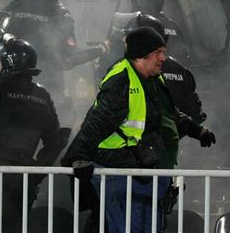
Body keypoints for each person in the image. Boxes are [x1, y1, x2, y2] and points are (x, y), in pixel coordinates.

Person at [62, 27, 216, 233]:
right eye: (158, 53)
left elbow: (168, 113)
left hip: (140, 172)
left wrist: (197, 130)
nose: (164, 57)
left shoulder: (151, 78)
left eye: (164, 52)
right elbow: (97, 120)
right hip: (119, 173)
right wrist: (78, 156)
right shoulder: (122, 80)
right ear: (141, 56)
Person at [0, 36, 69, 232]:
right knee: (12, 226)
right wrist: (37, 172)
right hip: (24, 174)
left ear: (8, 61)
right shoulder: (43, 95)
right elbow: (54, 140)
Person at [0, 0, 77, 111]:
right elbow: (69, 54)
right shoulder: (63, 15)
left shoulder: (17, 4)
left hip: (11, 78)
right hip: (49, 83)